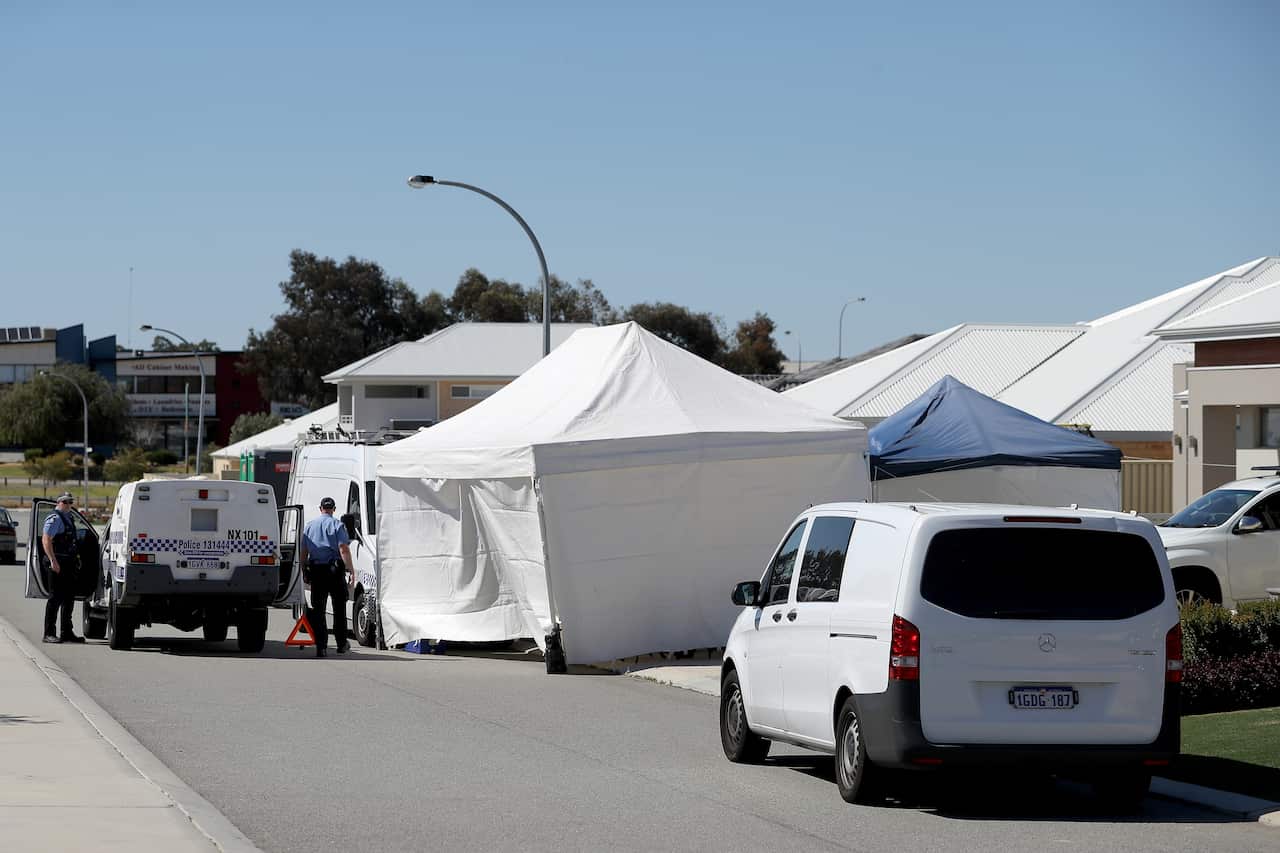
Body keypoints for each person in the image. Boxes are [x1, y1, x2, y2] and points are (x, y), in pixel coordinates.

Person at [298, 496, 355, 657]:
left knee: (319, 610)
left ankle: (321, 646)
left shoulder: (310, 526)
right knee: (339, 608)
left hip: (317, 571)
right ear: (334, 509)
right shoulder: (337, 525)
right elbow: (343, 548)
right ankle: (341, 644)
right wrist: (350, 570)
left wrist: (304, 570)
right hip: (335, 571)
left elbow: (304, 552)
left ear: (320, 508)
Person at [41, 493, 85, 644]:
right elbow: (46, 539)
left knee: (68, 599)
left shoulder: (68, 518)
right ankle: (48, 633)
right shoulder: (54, 518)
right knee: (55, 598)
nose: (68, 504)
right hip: (57, 563)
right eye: (65, 502)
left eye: (71, 502)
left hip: (68, 563)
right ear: (58, 503)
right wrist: (53, 561)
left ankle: (67, 632)